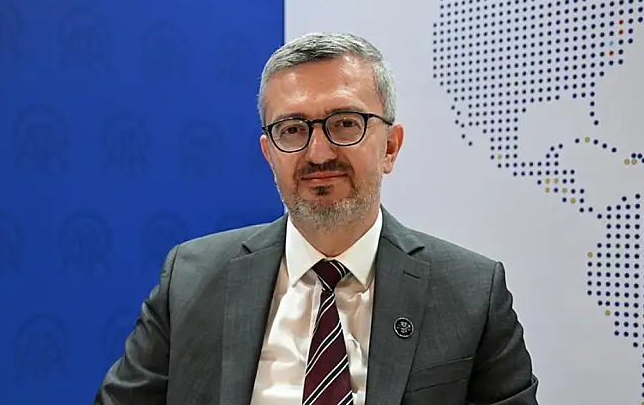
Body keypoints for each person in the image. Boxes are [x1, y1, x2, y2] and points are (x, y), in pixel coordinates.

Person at [94, 32, 539, 405]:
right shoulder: (190, 280)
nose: (319, 153)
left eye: (345, 123)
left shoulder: (471, 294)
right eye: (292, 129)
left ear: (390, 147)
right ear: (269, 154)